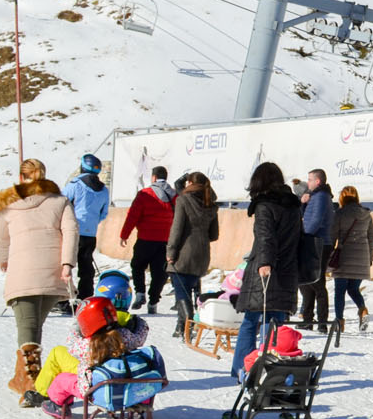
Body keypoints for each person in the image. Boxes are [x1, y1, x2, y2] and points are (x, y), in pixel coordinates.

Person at [0, 158, 78, 399]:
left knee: (27, 327)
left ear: (21, 177)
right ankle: (26, 377)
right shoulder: (60, 201)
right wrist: (67, 263)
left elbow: (0, 239)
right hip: (52, 273)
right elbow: (71, 232)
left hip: (22, 272)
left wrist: (3, 259)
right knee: (34, 325)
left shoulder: (6, 203)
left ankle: (29, 384)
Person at [21, 272, 150, 408]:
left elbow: (73, 345)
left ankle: (43, 393)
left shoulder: (95, 318)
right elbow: (140, 337)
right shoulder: (132, 325)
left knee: (57, 353)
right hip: (120, 369)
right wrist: (140, 323)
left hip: (95, 371)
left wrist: (79, 323)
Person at [231, 162, 303, 380]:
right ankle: (273, 369)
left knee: (251, 321)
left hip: (266, 269)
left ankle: (243, 369)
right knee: (275, 323)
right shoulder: (292, 205)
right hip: (287, 270)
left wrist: (264, 263)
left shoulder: (264, 205)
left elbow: (266, 237)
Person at [166, 172, 219, 339]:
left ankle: (188, 322)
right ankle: (180, 327)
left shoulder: (183, 200)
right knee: (188, 288)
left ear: (189, 183)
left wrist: (171, 251)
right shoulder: (211, 203)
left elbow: (176, 229)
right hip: (202, 253)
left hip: (183, 252)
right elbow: (214, 235)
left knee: (181, 291)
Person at [119, 166, 176, 314]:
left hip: (145, 239)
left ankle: (140, 293)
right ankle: (153, 301)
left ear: (154, 178)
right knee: (160, 272)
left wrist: (124, 234)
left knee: (137, 266)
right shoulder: (175, 196)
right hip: (165, 241)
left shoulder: (145, 194)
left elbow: (133, 216)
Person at [64, 153, 110, 305]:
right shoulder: (103, 190)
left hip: (72, 231)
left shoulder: (75, 184)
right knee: (86, 267)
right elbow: (103, 214)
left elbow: (61, 204)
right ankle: (86, 298)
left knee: (65, 264)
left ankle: (62, 298)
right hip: (90, 234)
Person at [330, 185, 373, 333]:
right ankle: (362, 309)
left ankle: (339, 322)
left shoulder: (340, 214)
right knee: (354, 288)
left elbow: (333, 236)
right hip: (362, 256)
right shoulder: (366, 214)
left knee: (340, 291)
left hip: (344, 256)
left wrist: (328, 256)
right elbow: (371, 238)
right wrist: (370, 258)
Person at [297, 168, 334, 331]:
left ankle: (322, 322)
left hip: (318, 243)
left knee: (318, 282)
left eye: (310, 179)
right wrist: (303, 203)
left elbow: (315, 221)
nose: (308, 182)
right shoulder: (314, 196)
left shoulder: (321, 197)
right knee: (306, 281)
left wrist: (303, 236)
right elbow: (305, 216)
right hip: (311, 241)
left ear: (318, 181)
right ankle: (307, 318)